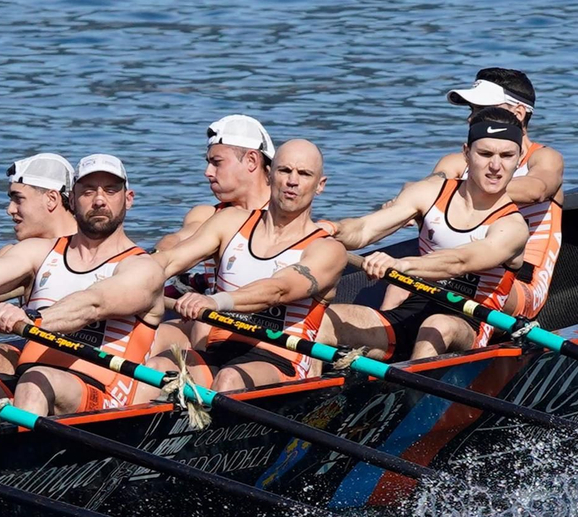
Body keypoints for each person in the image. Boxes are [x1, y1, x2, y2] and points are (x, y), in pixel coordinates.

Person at [322, 110, 531, 360]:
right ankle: (307, 394)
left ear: (518, 160)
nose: (495, 166)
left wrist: (403, 264)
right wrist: (330, 230)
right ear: (466, 153)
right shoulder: (428, 193)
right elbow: (364, 229)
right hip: (413, 311)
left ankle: (411, 396)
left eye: (506, 156)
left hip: (469, 324)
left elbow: (460, 261)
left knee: (437, 325)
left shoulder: (512, 226)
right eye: (485, 154)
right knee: (321, 321)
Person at [0, 155, 166, 415]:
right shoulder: (37, 251)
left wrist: (30, 319)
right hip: (32, 384)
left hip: (103, 398)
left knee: (35, 381)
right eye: (88, 191)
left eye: (111, 191)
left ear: (129, 199)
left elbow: (92, 304)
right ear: (72, 200)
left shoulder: (143, 268)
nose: (99, 200)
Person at [164, 139, 346, 389]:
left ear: (320, 185)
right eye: (284, 171)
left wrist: (215, 301)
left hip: (279, 360)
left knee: (229, 379)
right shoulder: (229, 222)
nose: (292, 181)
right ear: (269, 175)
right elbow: (168, 261)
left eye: (304, 174)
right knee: (157, 366)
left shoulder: (328, 250)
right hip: (219, 350)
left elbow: (278, 289)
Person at [426, 69, 563, 317]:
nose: (470, 119)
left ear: (518, 113)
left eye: (480, 111)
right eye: (472, 111)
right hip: (459, 267)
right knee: (401, 283)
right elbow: (426, 192)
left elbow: (535, 190)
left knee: (438, 277)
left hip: (522, 284)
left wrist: (466, 186)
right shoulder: (454, 162)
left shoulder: (544, 159)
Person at [150, 115, 276, 360]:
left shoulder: (288, 221)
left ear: (251, 160)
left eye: (217, 162)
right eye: (208, 162)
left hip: (269, 327)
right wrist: (149, 262)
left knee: (203, 325)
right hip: (210, 319)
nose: (207, 172)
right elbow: (178, 241)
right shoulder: (206, 214)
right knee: (149, 338)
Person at [0, 153, 79, 382]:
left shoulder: (106, 251)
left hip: (90, 370)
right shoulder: (14, 253)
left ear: (51, 199)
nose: (9, 210)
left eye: (18, 199)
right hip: (36, 365)